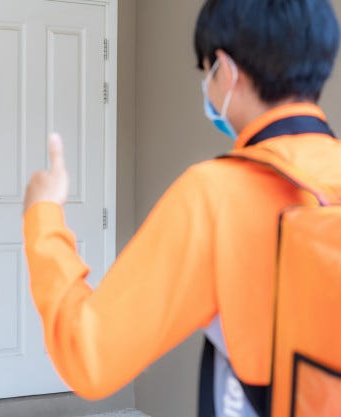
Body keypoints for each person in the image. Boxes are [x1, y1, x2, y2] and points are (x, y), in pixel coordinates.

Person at [22, 0, 340, 416]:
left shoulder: (214, 194)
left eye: (205, 73)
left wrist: (43, 214)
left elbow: (89, 356)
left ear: (225, 70)